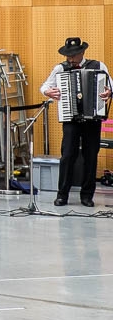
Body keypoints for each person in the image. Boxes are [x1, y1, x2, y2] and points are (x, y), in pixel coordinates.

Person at [40, 37, 112, 208]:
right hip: (70, 117)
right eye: (68, 56)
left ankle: (87, 195)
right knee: (67, 156)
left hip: (92, 118)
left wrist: (109, 91)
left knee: (91, 156)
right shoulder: (60, 68)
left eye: (73, 56)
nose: (70, 59)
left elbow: (110, 85)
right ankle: (62, 194)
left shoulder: (98, 66)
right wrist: (48, 92)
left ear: (82, 53)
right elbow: (44, 86)